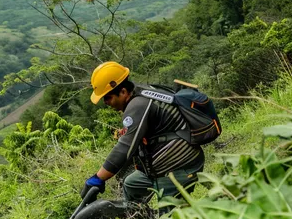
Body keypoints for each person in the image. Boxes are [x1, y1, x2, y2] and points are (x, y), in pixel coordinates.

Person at [80, 61, 204, 206]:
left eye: (107, 97)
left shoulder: (138, 105)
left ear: (123, 92)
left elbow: (125, 148)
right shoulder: (141, 93)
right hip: (164, 167)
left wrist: (98, 178)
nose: (106, 102)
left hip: (179, 167)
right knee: (132, 184)